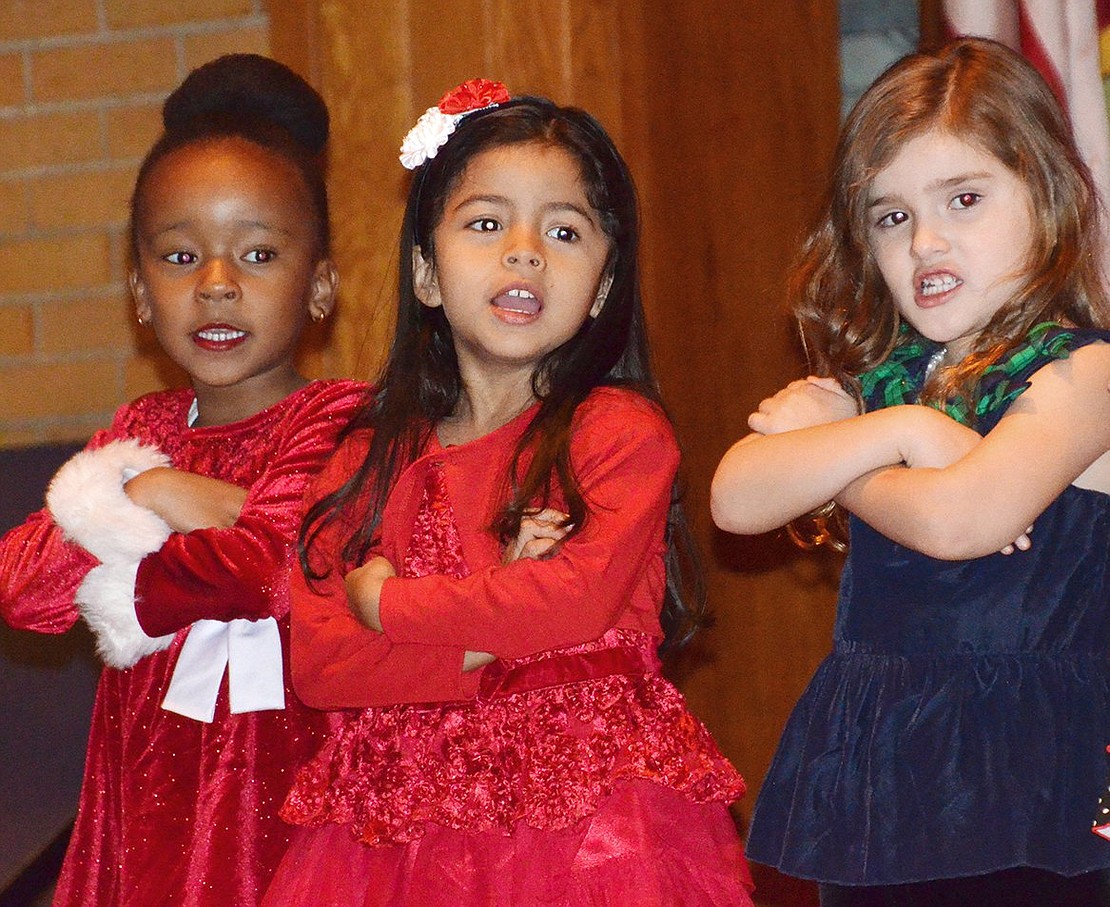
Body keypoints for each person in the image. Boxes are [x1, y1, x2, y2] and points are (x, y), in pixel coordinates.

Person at [261, 79, 755, 906]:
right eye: (487, 223)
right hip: (394, 841)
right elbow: (322, 662)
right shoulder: (366, 461)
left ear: (600, 290)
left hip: (594, 834)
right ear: (426, 271)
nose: (524, 251)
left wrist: (392, 607)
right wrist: (500, 630)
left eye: (564, 230)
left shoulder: (618, 434)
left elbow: (571, 602)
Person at [710, 38, 1110, 906]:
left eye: (963, 199)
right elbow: (735, 496)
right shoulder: (892, 389)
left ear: (1048, 199)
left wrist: (846, 462)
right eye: (891, 217)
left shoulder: (1086, 375)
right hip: (886, 777)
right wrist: (901, 426)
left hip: (1035, 780)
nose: (926, 240)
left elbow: (965, 520)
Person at [0, 54, 366, 905]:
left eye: (259, 252)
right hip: (151, 812)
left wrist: (148, 499)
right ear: (138, 290)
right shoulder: (144, 432)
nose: (216, 283)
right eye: (178, 255)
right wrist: (162, 496)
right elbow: (25, 588)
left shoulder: (346, 419)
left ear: (319, 286)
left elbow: (282, 564)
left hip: (302, 802)